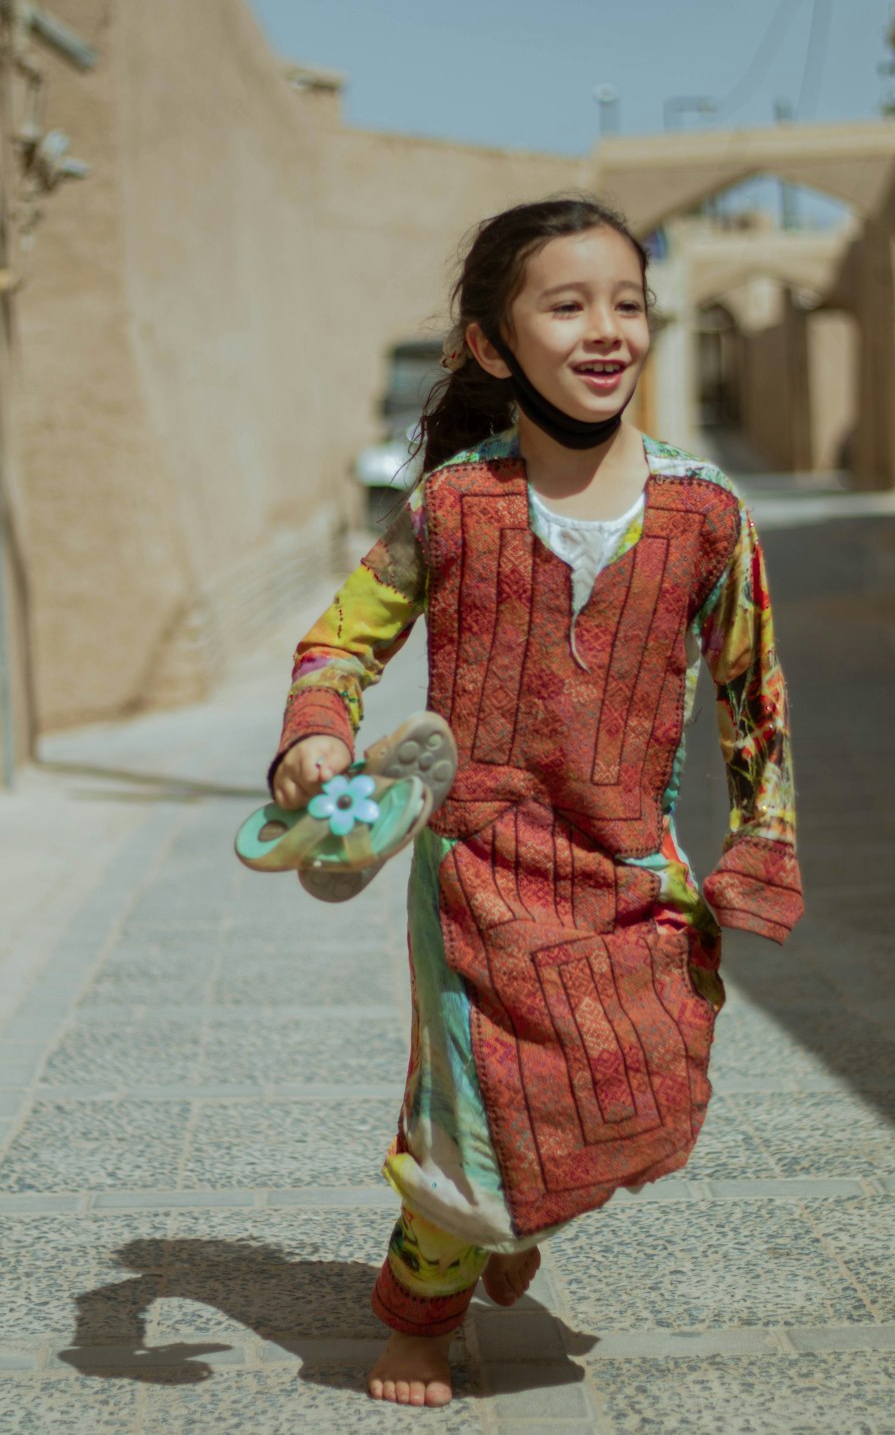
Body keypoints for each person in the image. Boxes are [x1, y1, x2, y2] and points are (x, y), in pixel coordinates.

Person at [265, 197, 804, 1407]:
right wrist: (316, 738)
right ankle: (417, 1312)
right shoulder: (454, 505)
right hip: (472, 876)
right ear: (494, 345)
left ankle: (514, 1215)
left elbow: (751, 693)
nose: (607, 329)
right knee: (465, 1124)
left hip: (628, 872)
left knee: (645, 1086)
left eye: (628, 304)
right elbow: (338, 645)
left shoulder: (706, 511)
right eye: (568, 305)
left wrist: (758, 846)